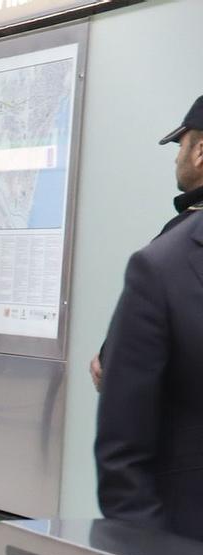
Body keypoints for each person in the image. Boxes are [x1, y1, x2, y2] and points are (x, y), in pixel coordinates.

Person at [94, 106, 203, 539]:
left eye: (180, 146)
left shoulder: (171, 254)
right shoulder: (172, 258)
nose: (177, 159)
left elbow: (110, 368)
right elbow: (123, 462)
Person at [91, 95, 203, 392]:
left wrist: (107, 359)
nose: (176, 158)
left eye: (181, 146)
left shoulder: (183, 238)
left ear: (200, 152)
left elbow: (125, 352)